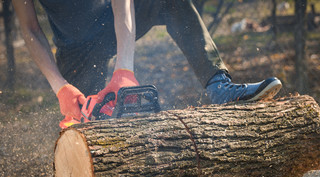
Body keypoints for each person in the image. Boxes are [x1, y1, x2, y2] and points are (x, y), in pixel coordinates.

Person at [13, 0, 282, 128]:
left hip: (114, 20)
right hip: (75, 49)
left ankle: (218, 86)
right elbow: (30, 29)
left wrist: (124, 70)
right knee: (83, 127)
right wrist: (60, 87)